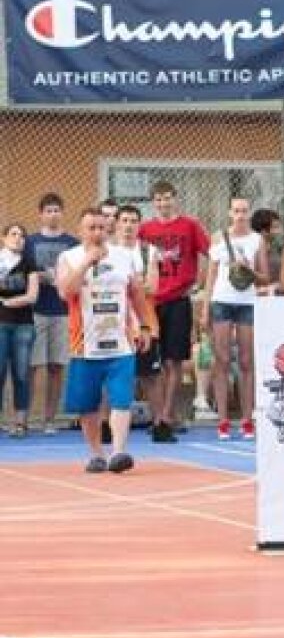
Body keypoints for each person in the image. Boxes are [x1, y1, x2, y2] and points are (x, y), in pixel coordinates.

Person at [57, 208, 155, 473]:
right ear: (81, 230)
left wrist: (145, 326)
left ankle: (119, 452)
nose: (97, 232)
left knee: (122, 399)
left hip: (120, 343)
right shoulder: (69, 257)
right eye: (91, 228)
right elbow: (66, 292)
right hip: (84, 346)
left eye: (101, 227)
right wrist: (86, 263)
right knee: (87, 405)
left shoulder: (124, 256)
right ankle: (96, 453)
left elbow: (137, 294)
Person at [138, 180, 210, 443]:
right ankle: (158, 415)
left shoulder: (190, 225)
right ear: (153, 202)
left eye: (167, 198)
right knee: (149, 365)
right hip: (150, 303)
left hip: (178, 300)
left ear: (175, 199)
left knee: (173, 361)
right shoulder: (145, 230)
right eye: (158, 199)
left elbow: (212, 254)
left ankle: (167, 416)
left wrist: (201, 283)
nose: (163, 203)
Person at [200, 198, 269, 441]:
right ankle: (223, 420)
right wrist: (205, 308)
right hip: (222, 301)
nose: (240, 215)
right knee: (222, 360)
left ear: (249, 214)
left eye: (244, 211)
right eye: (236, 211)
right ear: (230, 213)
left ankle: (247, 419)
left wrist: (249, 269)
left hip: (246, 302)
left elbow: (264, 277)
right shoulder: (218, 238)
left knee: (247, 361)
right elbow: (210, 276)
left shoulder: (257, 240)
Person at [27, 192, 78, 434]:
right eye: (48, 210)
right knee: (34, 366)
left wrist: (59, 278)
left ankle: (49, 419)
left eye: (57, 210)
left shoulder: (72, 243)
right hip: (36, 311)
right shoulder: (30, 242)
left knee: (56, 366)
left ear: (62, 213)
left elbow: (76, 275)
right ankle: (28, 418)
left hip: (63, 312)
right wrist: (39, 276)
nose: (53, 214)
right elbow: (23, 273)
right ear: (41, 214)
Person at [112, 206, 163, 428]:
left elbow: (153, 287)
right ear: (116, 224)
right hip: (116, 323)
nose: (129, 225)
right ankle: (108, 424)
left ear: (139, 225)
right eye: (124, 220)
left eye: (133, 221)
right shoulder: (108, 251)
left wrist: (126, 285)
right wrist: (136, 284)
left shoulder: (148, 251)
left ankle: (160, 424)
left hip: (144, 322)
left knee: (150, 376)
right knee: (114, 376)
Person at [0, 224, 40, 437]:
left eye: (22, 235)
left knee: (21, 374)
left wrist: (7, 302)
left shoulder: (29, 263)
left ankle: (20, 423)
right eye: (13, 234)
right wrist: (17, 300)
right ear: (4, 238)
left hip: (24, 325)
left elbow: (32, 296)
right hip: (1, 324)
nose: (18, 238)